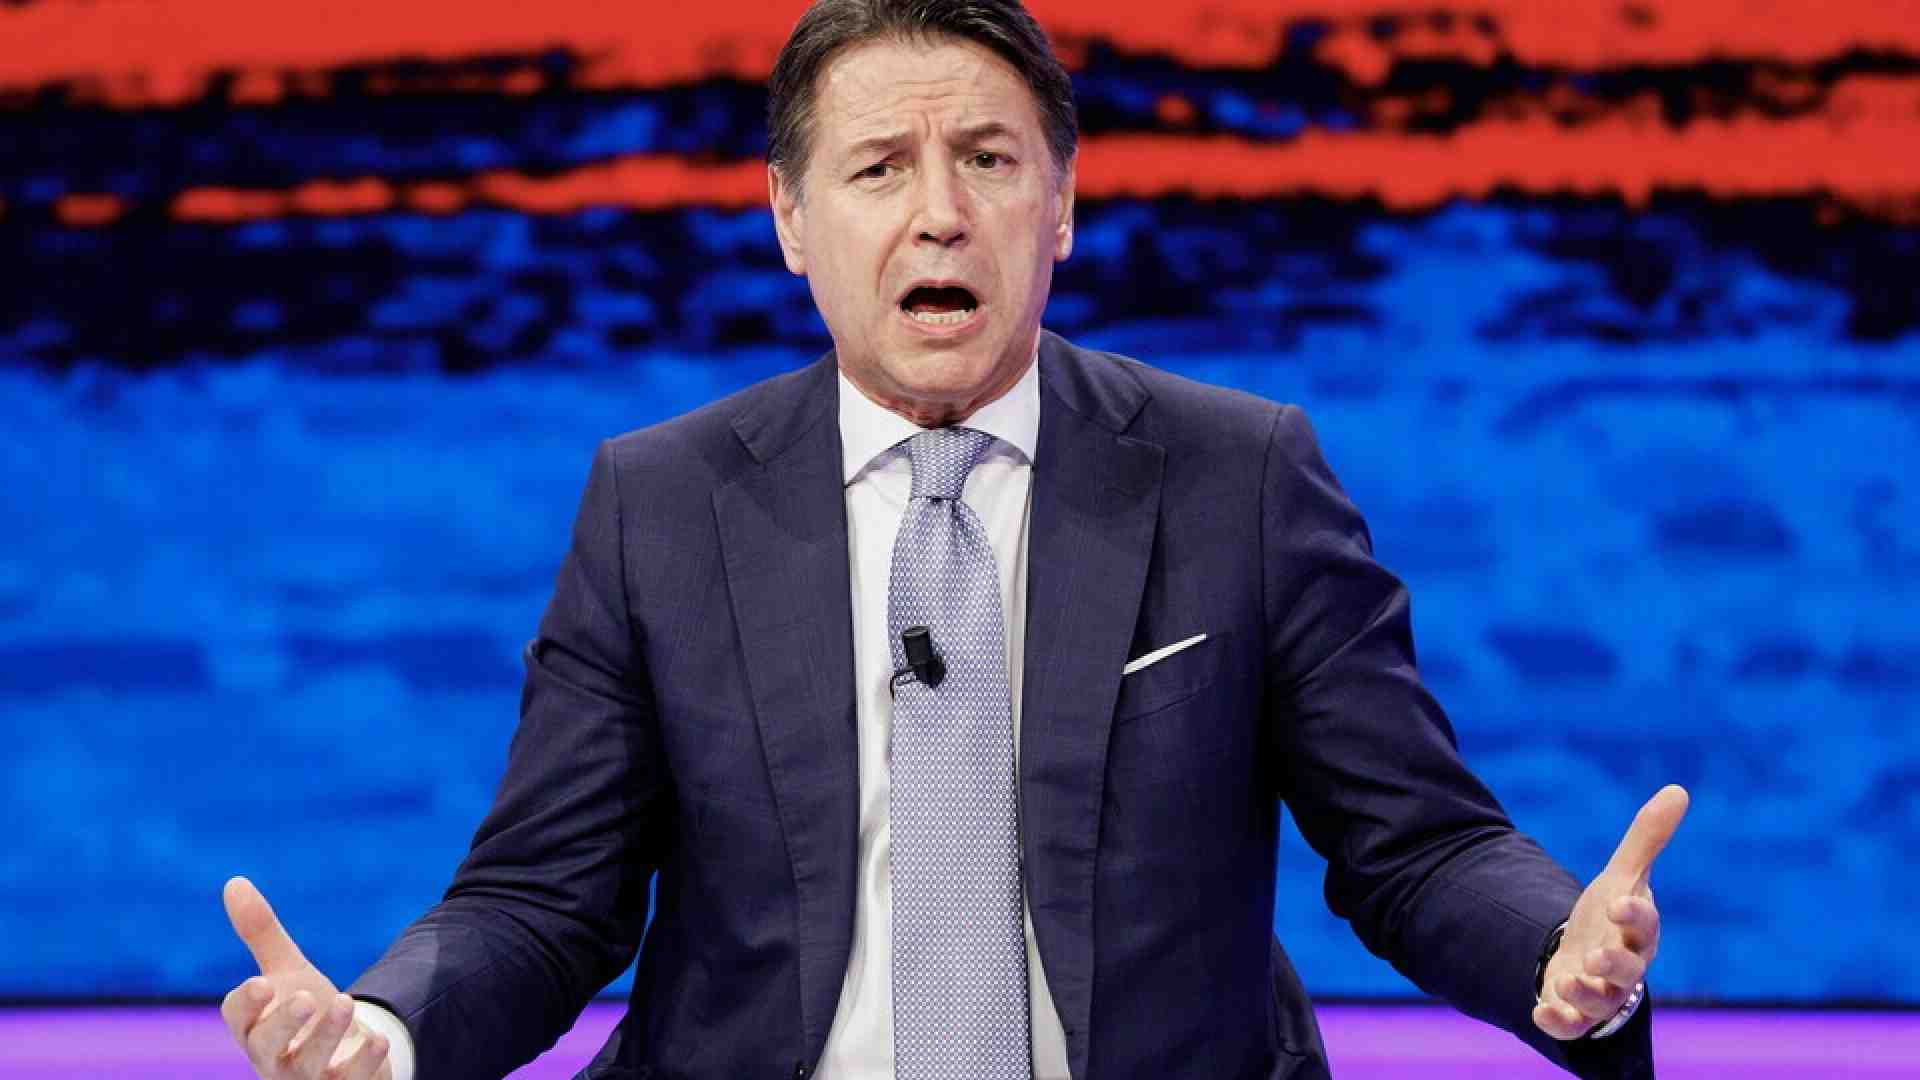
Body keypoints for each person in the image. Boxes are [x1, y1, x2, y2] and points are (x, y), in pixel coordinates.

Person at [218, 1, 1688, 1077]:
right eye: (878, 168)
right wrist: (382, 1032)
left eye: (987, 160)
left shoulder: (1238, 476)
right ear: (790, 221)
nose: (939, 215)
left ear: (1062, 205)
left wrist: (1559, 953)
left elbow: (1415, 844)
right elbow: (546, 898)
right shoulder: (661, 503)